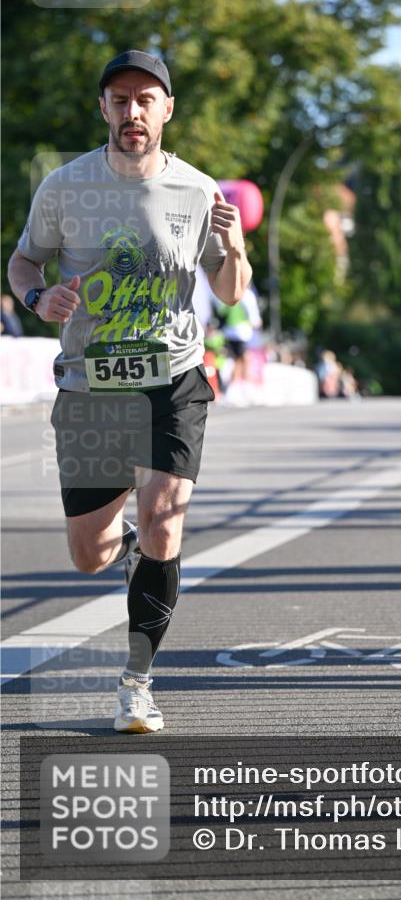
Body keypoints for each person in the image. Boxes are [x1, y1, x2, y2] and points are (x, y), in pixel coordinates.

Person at [7, 49, 252, 733]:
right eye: (120, 99)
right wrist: (36, 293)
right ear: (104, 109)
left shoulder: (199, 192)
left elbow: (230, 294)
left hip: (172, 378)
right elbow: (24, 256)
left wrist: (232, 251)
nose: (133, 111)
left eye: (146, 100)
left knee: (165, 516)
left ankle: (136, 684)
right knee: (89, 556)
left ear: (167, 109)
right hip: (90, 386)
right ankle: (124, 535)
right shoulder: (64, 186)